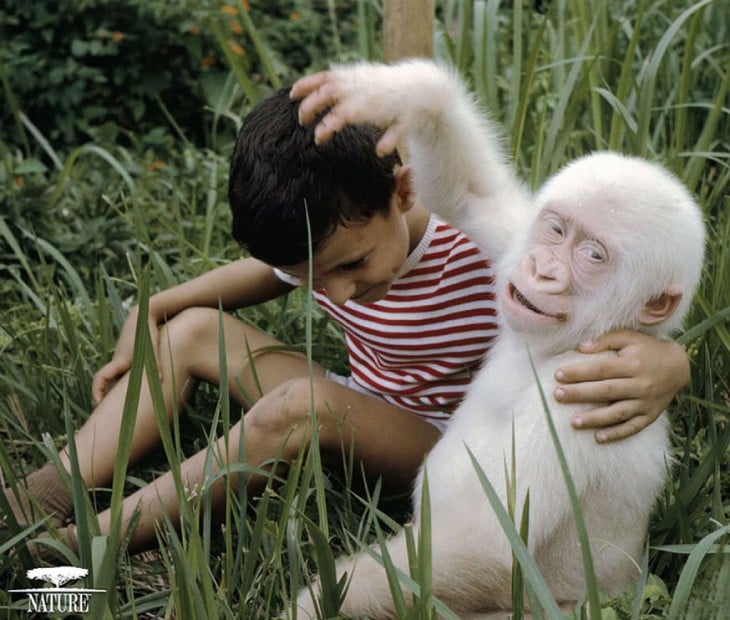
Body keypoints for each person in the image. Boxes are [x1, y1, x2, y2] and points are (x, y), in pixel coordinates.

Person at [2, 86, 689, 555]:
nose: (339, 293)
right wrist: (155, 308)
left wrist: (668, 363)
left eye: (351, 266)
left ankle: (87, 546)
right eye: (312, 278)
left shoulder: (496, 245)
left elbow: (604, 309)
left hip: (451, 448)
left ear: (404, 189)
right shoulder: (325, 240)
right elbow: (248, 281)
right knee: (191, 330)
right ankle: (42, 496)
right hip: (363, 401)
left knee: (304, 406)